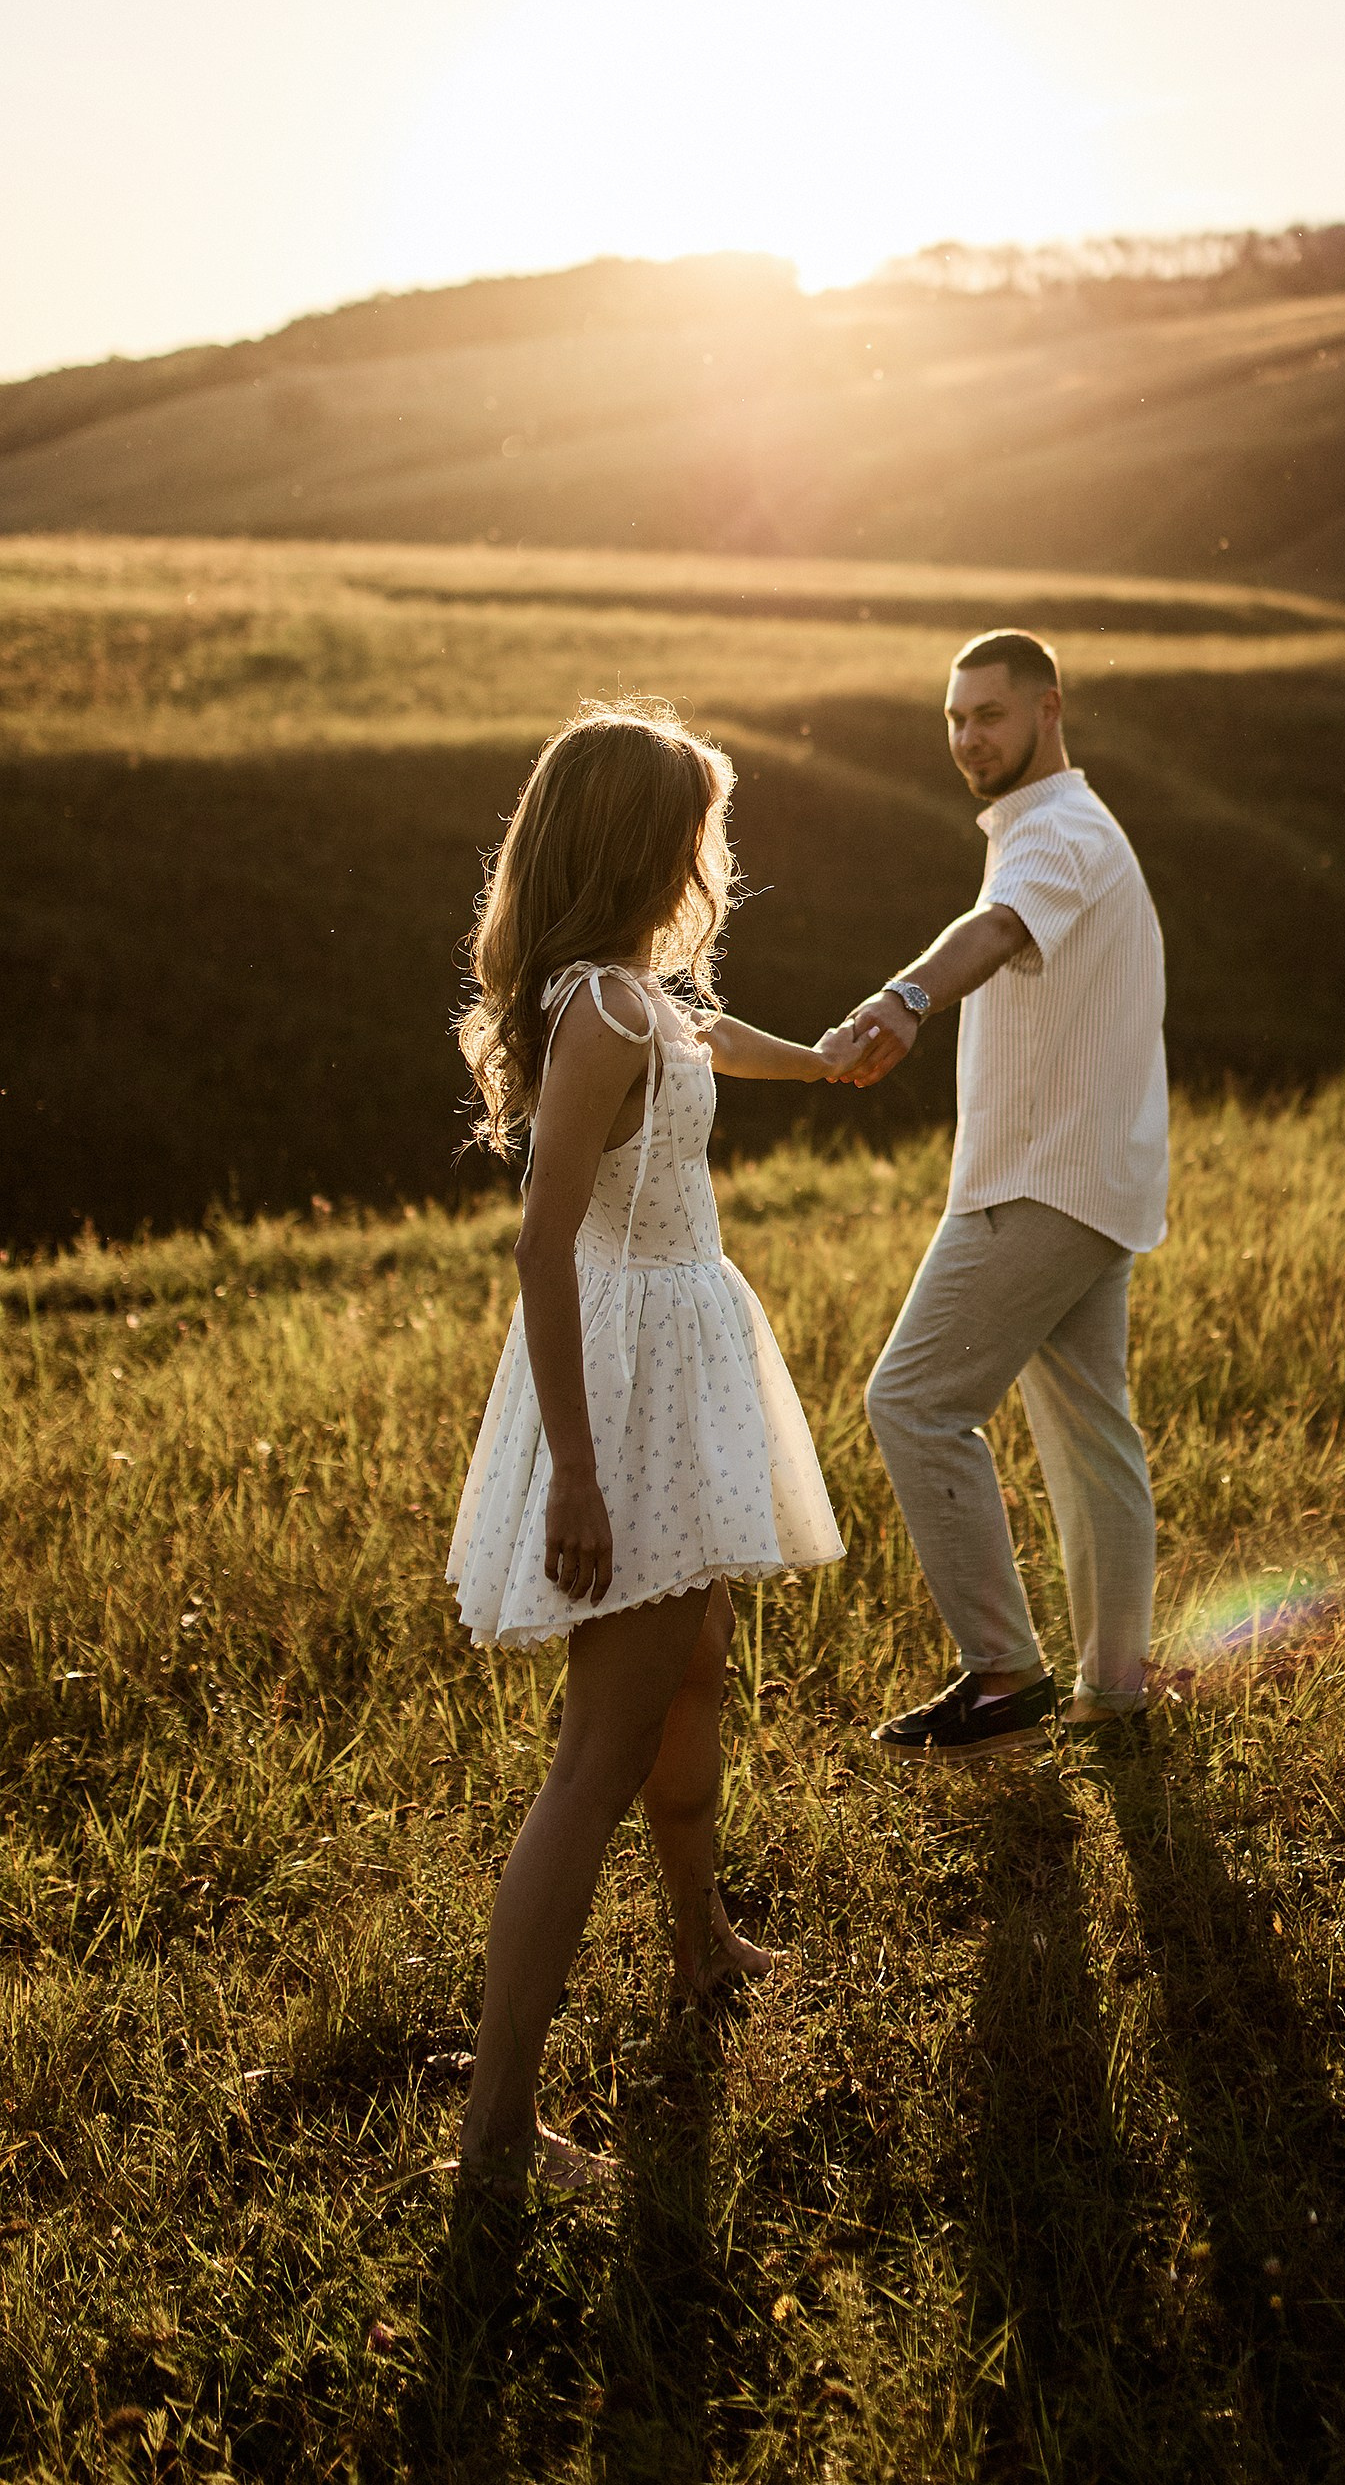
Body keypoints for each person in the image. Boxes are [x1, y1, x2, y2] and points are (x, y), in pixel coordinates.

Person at [446, 699, 852, 2191]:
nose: (710, 857)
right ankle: (498, 2132)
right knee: (597, 1755)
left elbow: (710, 1034)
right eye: (694, 830)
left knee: (692, 1672)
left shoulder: (631, 998)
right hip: (623, 1390)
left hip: (679, 1362)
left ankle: (700, 1941)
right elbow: (542, 1250)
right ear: (646, 846)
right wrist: (581, 1474)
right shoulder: (607, 1014)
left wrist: (823, 1060)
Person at [824, 630, 1168, 1759]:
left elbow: (994, 930)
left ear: (1048, 710)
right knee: (1089, 1437)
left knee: (911, 1402)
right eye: (954, 719)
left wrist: (903, 999)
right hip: (1087, 1178)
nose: (968, 737)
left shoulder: (1058, 833)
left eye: (989, 715)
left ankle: (1004, 1679)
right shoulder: (1054, 828)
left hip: (1038, 1187)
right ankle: (1112, 1691)